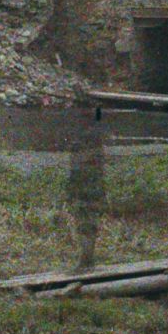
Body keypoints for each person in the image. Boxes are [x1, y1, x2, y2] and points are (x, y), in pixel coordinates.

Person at [64, 108, 106, 269]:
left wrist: (72, 187)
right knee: (87, 223)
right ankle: (87, 257)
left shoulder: (83, 141)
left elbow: (78, 167)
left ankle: (86, 259)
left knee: (84, 223)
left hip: (85, 186)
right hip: (91, 186)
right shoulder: (95, 139)